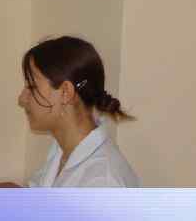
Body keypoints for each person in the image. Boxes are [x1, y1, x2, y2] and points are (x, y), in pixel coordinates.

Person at [18, 36, 139, 187]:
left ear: (66, 92)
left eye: (32, 87)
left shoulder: (102, 182)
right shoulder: (62, 151)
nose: (22, 99)